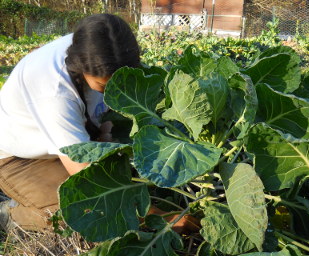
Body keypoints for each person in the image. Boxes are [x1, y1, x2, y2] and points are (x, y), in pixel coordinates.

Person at [0, 13, 198, 233]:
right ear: (80, 67)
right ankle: (10, 215)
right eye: (103, 87)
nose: (110, 93)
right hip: (20, 158)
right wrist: (159, 216)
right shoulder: (54, 94)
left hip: (73, 140)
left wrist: (106, 136)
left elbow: (110, 109)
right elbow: (86, 176)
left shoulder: (103, 49)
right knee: (82, 213)